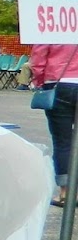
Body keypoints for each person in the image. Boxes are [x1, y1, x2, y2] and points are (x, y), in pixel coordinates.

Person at [30, 42, 78, 207]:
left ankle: (66, 192)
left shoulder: (54, 22)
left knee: (62, 141)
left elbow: (38, 59)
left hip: (58, 82)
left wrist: (39, 81)